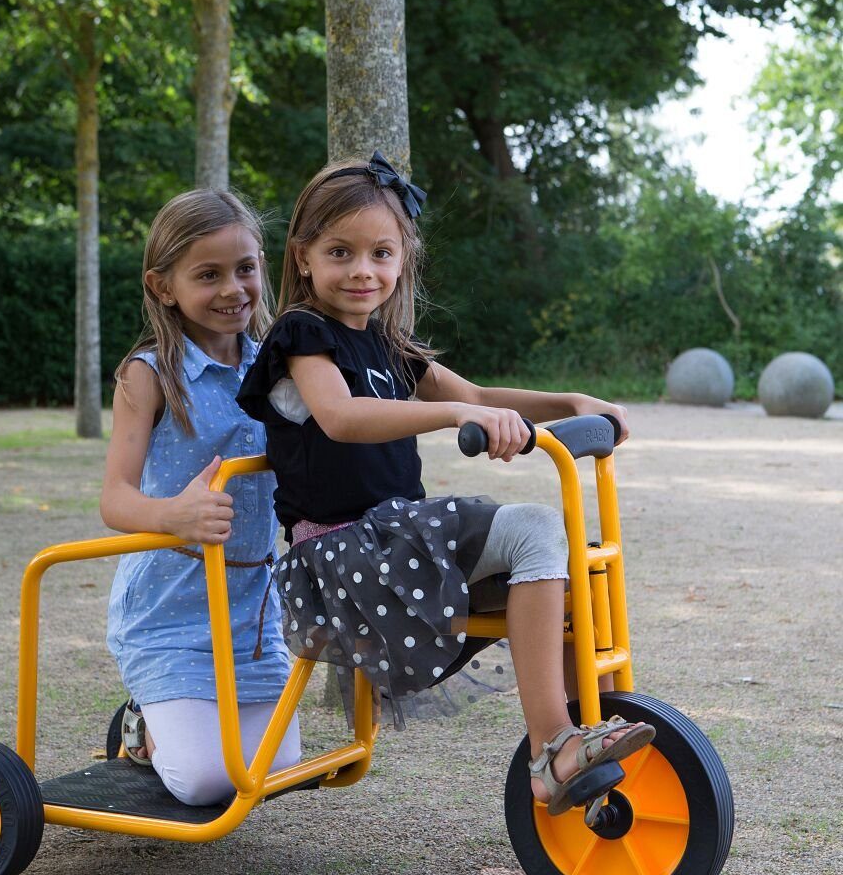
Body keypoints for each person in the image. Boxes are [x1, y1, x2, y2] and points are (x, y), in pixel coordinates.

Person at [237, 151, 653, 819]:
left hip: (394, 548)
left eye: (381, 253)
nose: (362, 271)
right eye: (340, 252)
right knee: (534, 528)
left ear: (403, 259)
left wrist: (569, 401)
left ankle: (577, 738)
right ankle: (553, 747)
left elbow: (481, 393)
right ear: (304, 256)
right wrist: (458, 415)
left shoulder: (391, 346)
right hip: (342, 559)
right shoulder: (301, 336)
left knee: (569, 586)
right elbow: (341, 418)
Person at [101, 189, 301, 806]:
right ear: (163, 286)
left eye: (245, 268)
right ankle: (141, 727)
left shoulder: (280, 363)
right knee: (206, 782)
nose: (233, 289)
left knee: (273, 765)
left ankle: (173, 720)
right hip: (172, 603)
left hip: (250, 604)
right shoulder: (150, 373)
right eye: (207, 275)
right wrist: (174, 514)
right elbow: (114, 499)